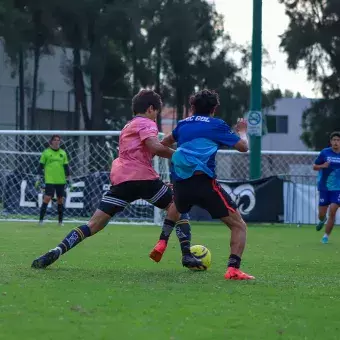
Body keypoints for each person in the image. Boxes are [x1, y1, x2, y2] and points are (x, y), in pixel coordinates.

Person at [31, 90, 202, 270]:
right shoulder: (147, 123)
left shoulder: (127, 127)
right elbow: (155, 147)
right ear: (151, 109)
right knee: (178, 207)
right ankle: (187, 255)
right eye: (157, 112)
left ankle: (58, 250)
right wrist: (182, 158)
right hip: (144, 180)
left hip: (121, 181)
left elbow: (145, 151)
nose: (156, 117)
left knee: (93, 225)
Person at [150, 89, 255, 280]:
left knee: (177, 205)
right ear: (214, 109)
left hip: (181, 183)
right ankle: (233, 269)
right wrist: (242, 131)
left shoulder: (182, 125)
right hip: (204, 183)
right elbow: (243, 147)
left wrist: (182, 157)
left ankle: (162, 242)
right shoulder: (217, 125)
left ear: (192, 107)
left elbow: (163, 144)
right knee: (239, 226)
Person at [35, 135, 70, 226]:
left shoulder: (63, 153)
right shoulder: (46, 152)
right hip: (50, 180)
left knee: (60, 200)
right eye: (55, 140)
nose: (57, 142)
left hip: (61, 180)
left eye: (58, 140)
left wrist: (69, 177)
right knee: (47, 198)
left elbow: (66, 166)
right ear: (51, 142)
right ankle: (41, 220)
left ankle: (60, 221)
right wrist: (38, 177)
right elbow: (41, 165)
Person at [313, 131, 340, 244]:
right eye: (334, 140)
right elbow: (314, 166)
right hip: (324, 187)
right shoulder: (325, 153)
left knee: (333, 210)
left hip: (338, 189)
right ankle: (322, 219)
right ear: (330, 142)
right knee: (321, 214)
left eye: (338, 140)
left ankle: (326, 236)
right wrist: (323, 166)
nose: (336, 142)